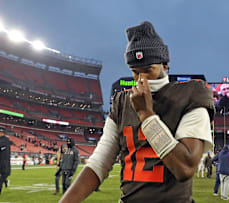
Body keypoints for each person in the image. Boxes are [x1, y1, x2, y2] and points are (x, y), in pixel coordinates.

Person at [60, 21, 215, 203]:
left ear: (165, 64)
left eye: (148, 70)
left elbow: (185, 168)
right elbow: (99, 163)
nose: (141, 79)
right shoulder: (121, 102)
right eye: (135, 72)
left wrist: (146, 115)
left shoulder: (191, 93)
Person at [0, 126, 11, 196]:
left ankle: (5, 181)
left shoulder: (5, 140)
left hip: (4, 164)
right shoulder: (6, 140)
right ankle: (5, 181)